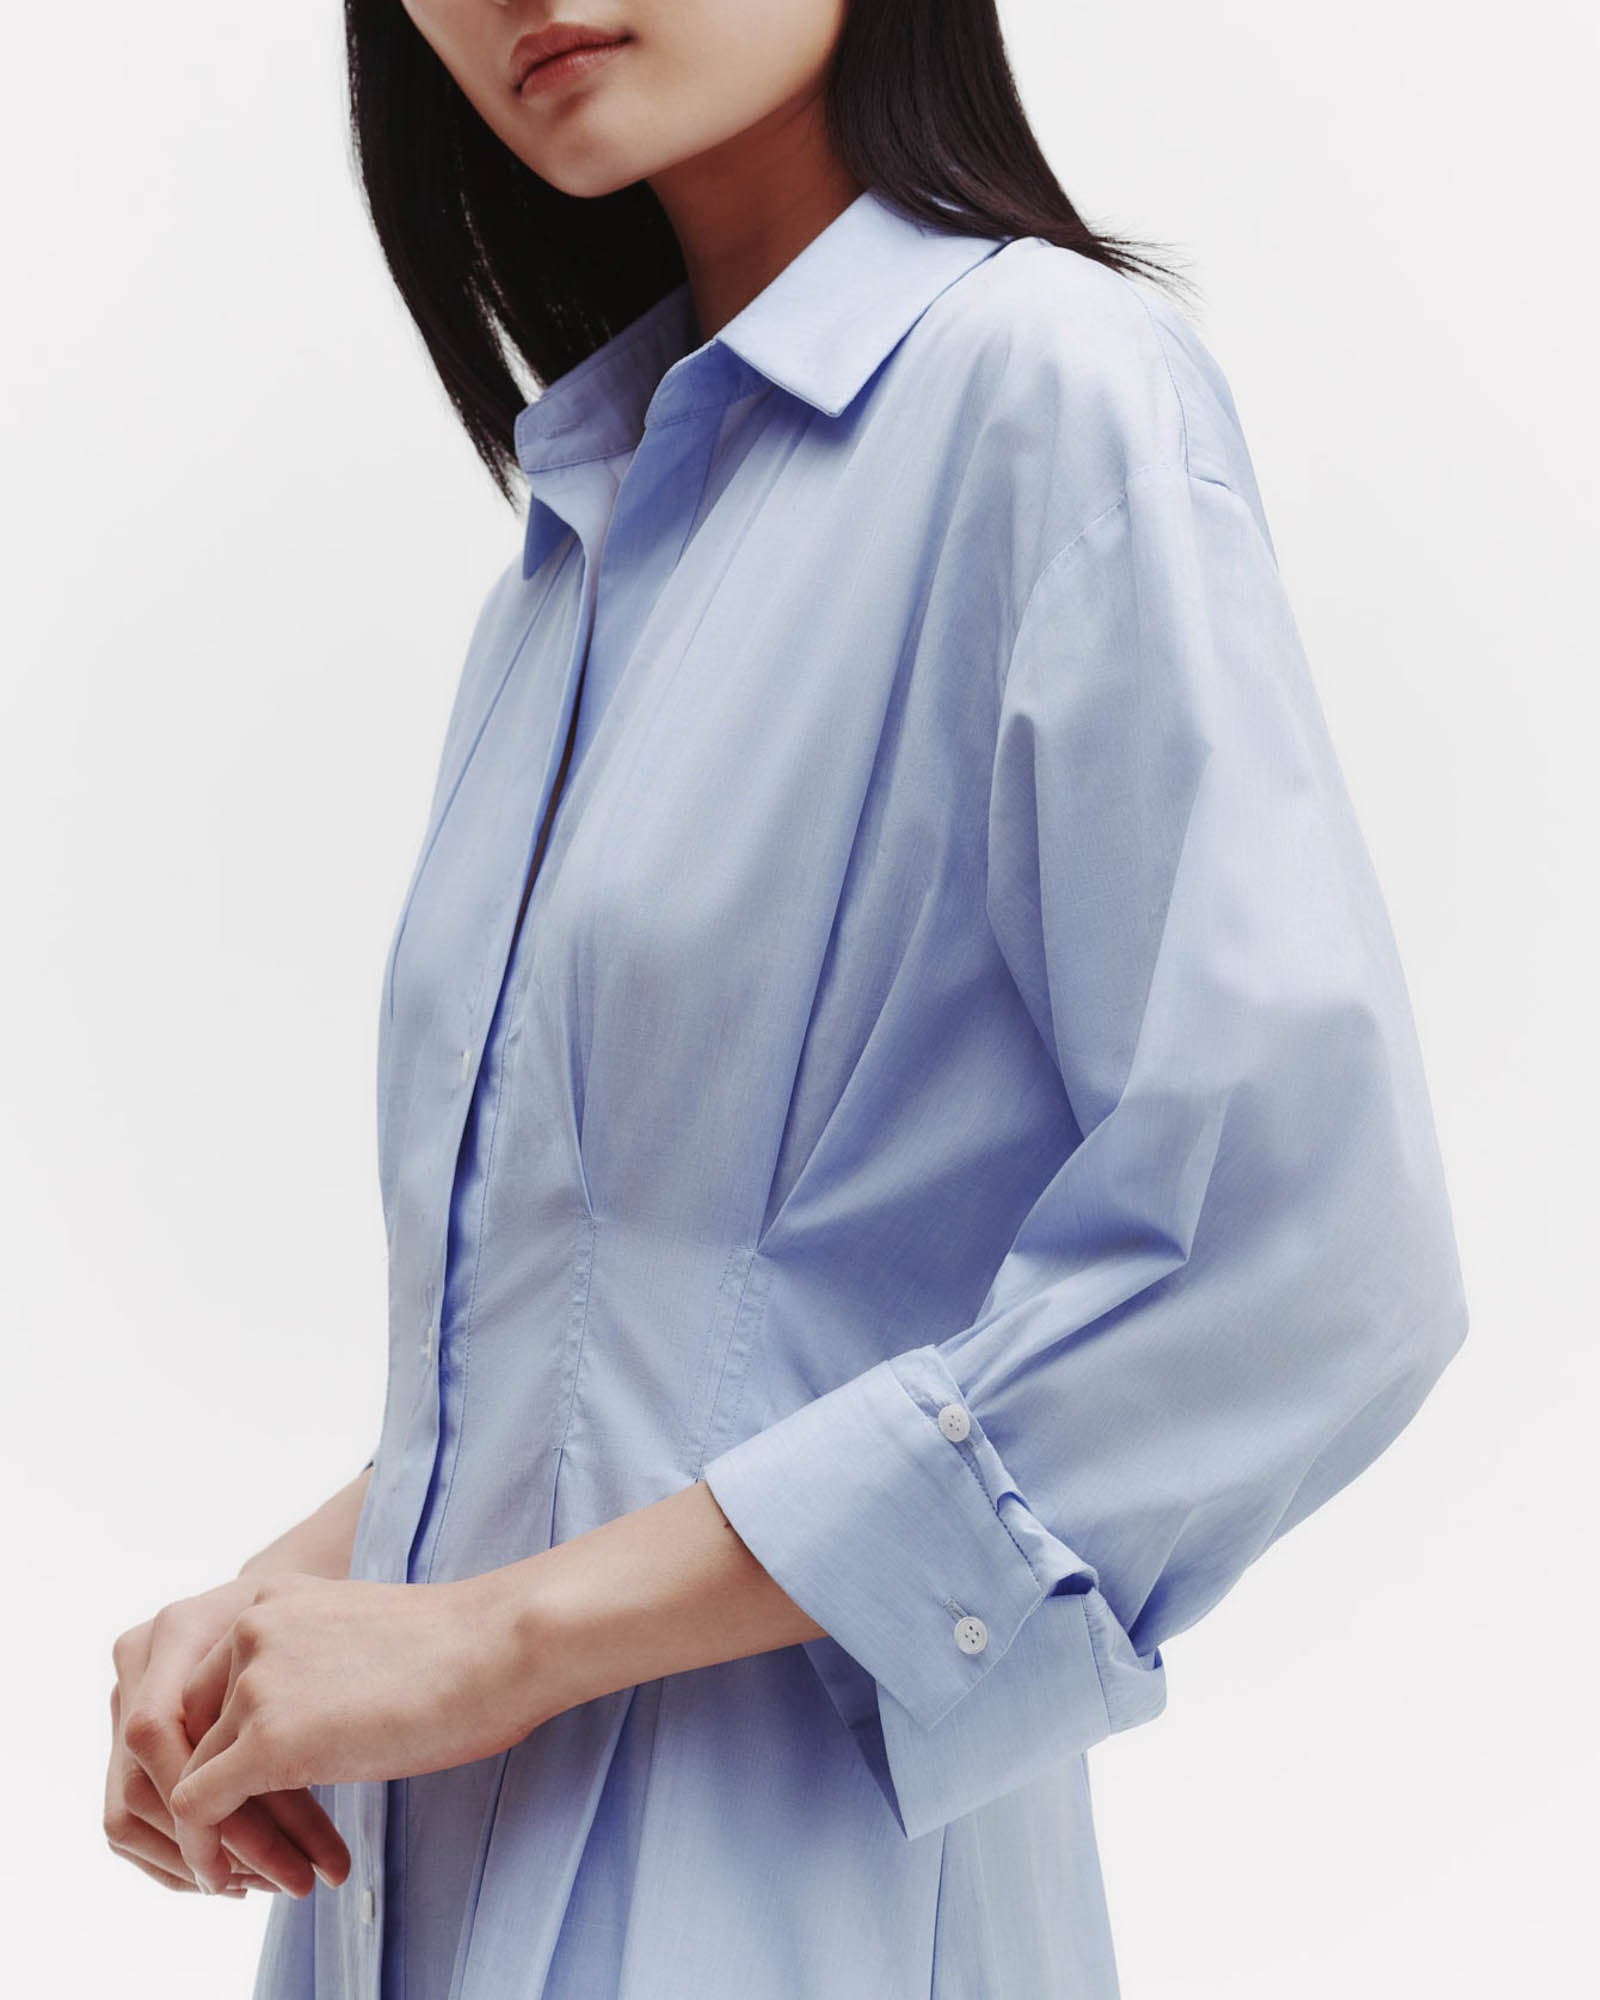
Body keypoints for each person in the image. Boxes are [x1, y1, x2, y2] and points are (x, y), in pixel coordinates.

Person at [104, 3, 1471, 1995]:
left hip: (780, 1899)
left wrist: (498, 1640)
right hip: (399, 1893)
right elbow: (637, 1332)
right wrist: (286, 1601)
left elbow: (1305, 1252)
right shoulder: (582, 540)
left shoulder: (1048, 394)